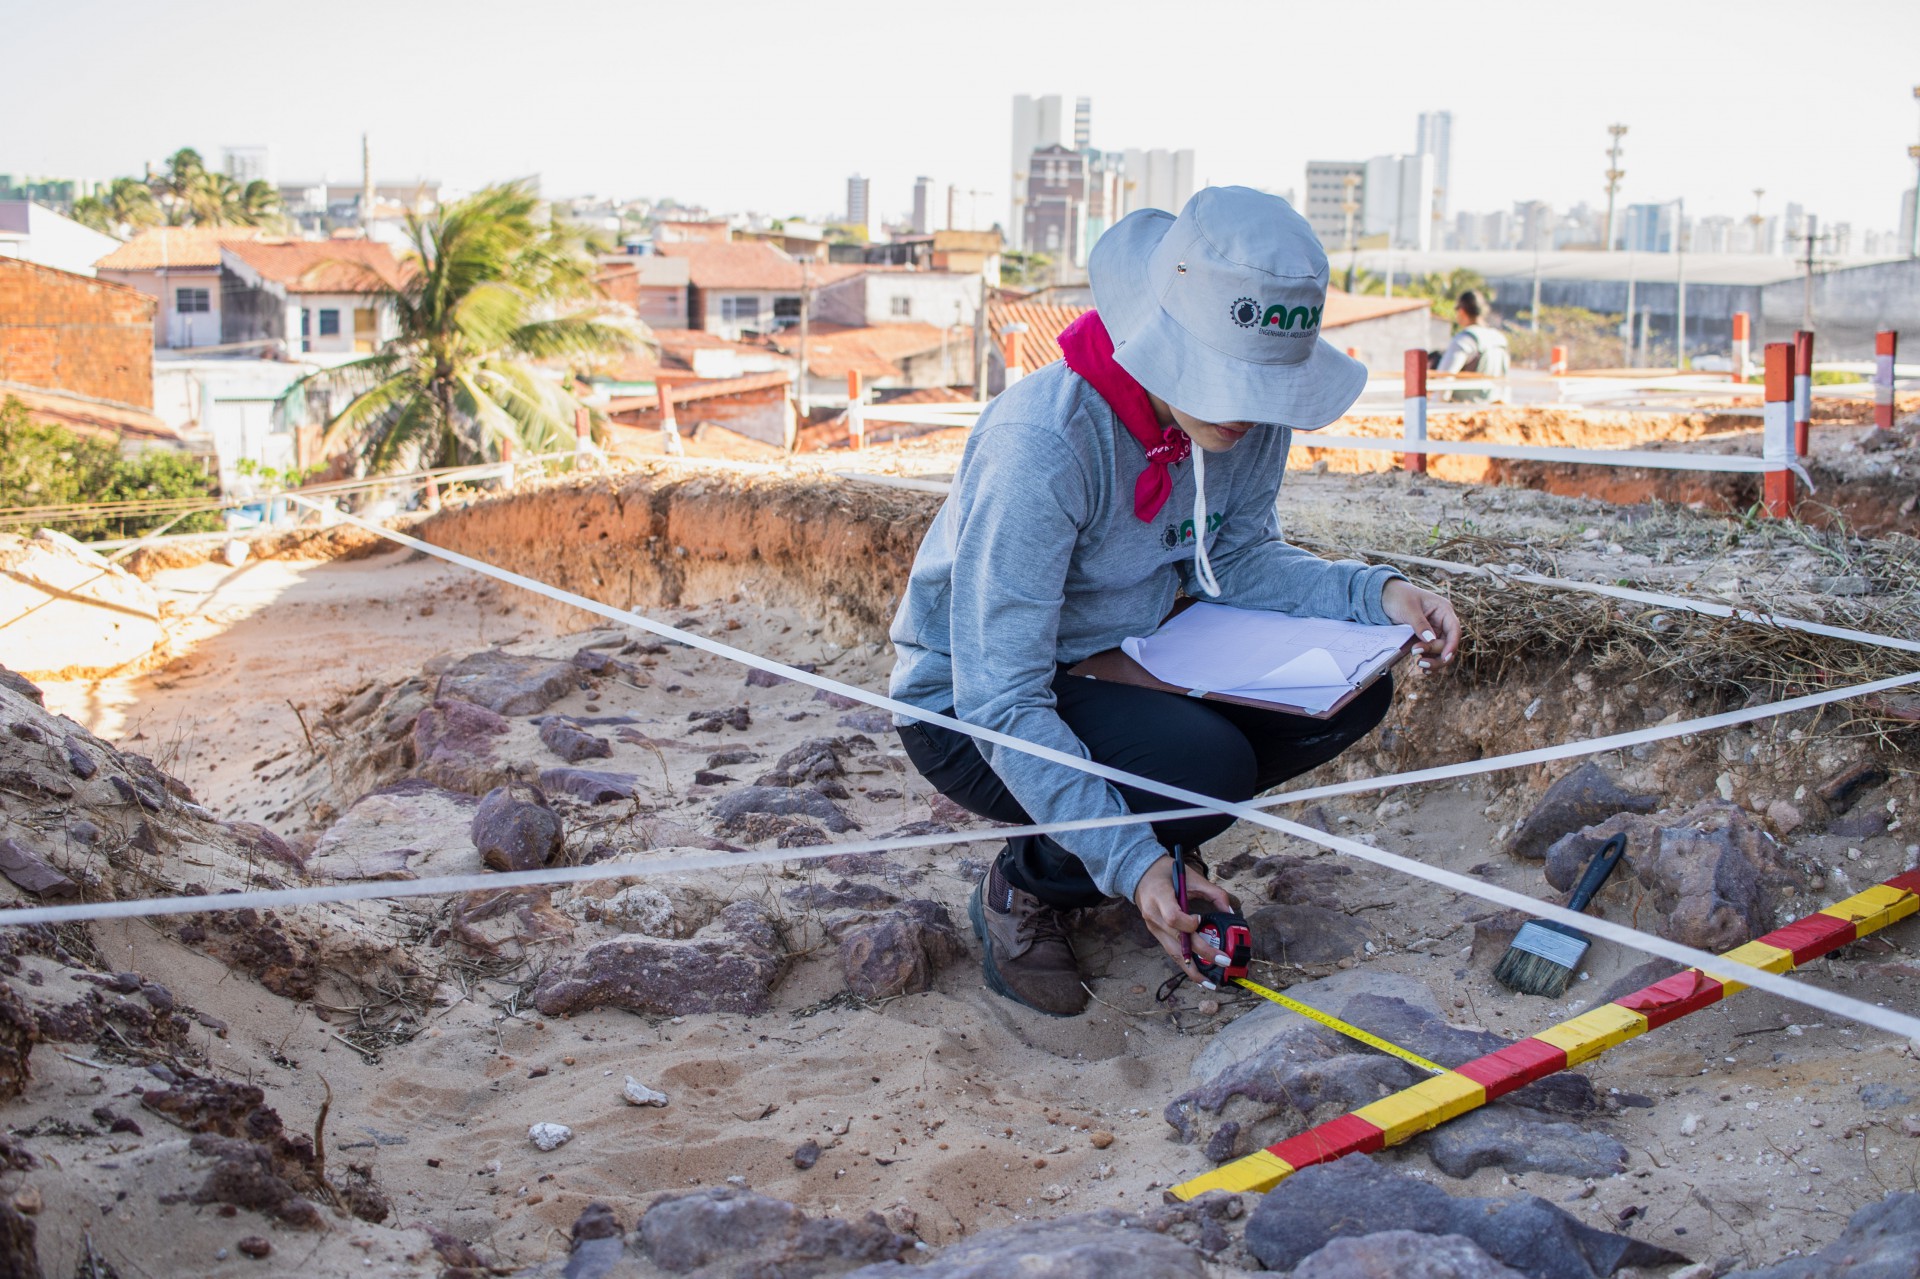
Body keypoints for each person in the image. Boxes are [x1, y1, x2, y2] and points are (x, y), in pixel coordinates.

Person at [886, 186, 1462, 1017]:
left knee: (1351, 693)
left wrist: (1376, 594)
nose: (1249, 412)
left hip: (1135, 654)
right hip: (972, 706)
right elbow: (997, 694)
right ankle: (1030, 880)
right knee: (1206, 766)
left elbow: (1237, 555)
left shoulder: (1245, 416)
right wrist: (1134, 861)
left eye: (1264, 387)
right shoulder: (1044, 448)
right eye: (1229, 380)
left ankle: (1133, 842)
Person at [1436, 290, 1510, 403]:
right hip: (1492, 412)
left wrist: (1438, 407)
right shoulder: (1499, 339)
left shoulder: (1465, 340)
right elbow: (1505, 382)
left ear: (1461, 311)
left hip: (1464, 413)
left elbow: (1444, 380)